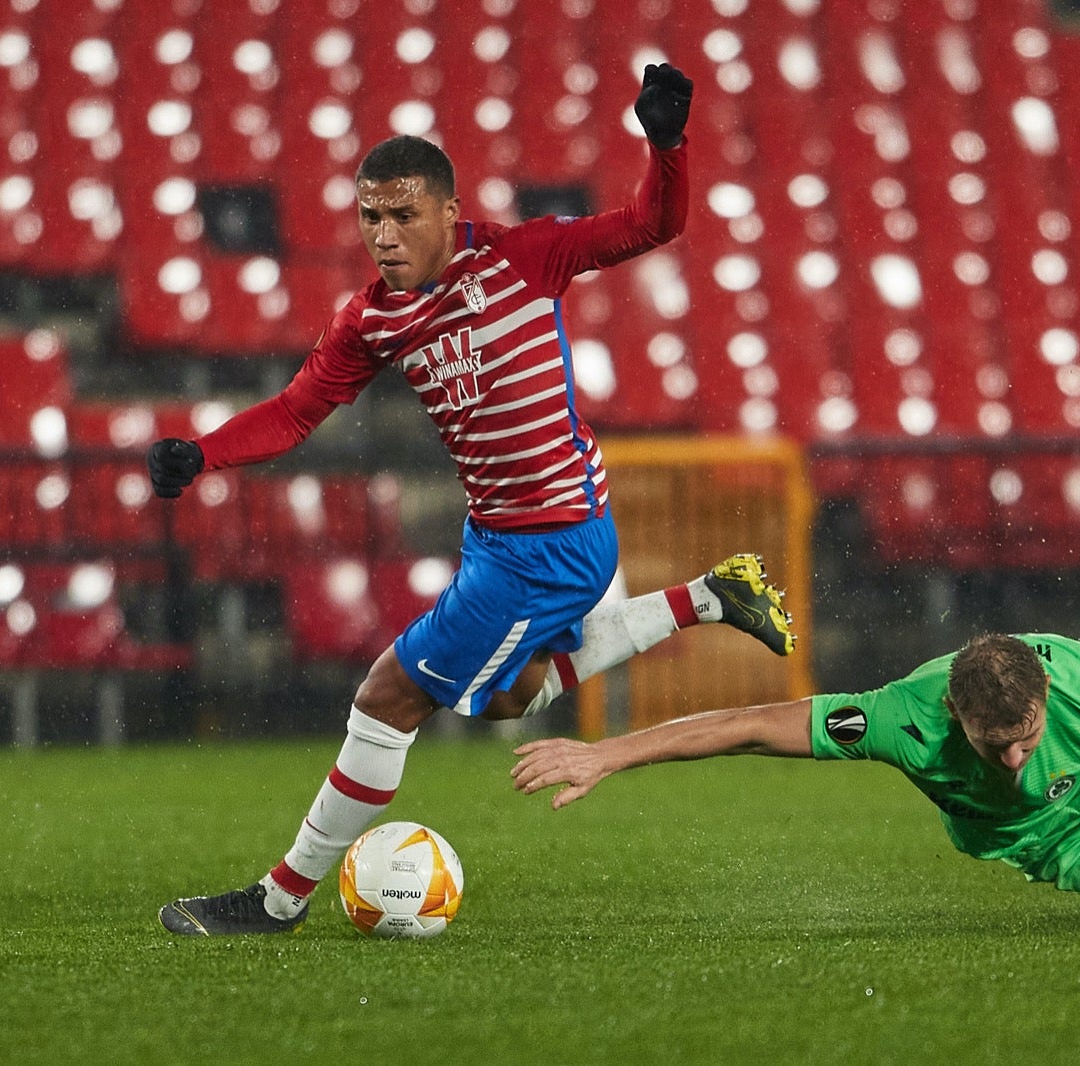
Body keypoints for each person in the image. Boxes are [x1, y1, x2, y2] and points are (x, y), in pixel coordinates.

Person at [150, 63, 798, 936]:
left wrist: (666, 144)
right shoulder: (372, 319)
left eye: (404, 214)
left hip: (555, 541)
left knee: (386, 699)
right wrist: (203, 453)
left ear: (450, 213)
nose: (384, 234)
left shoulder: (525, 256)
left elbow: (654, 223)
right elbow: (298, 410)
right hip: (496, 537)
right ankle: (710, 596)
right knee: (502, 697)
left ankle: (278, 899)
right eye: (370, 216)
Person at [513, 632, 1080, 922]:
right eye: (996, 747)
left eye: (1027, 738)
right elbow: (748, 726)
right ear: (958, 718)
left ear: (1043, 697)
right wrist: (606, 753)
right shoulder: (900, 716)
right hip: (1052, 832)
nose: (1015, 758)